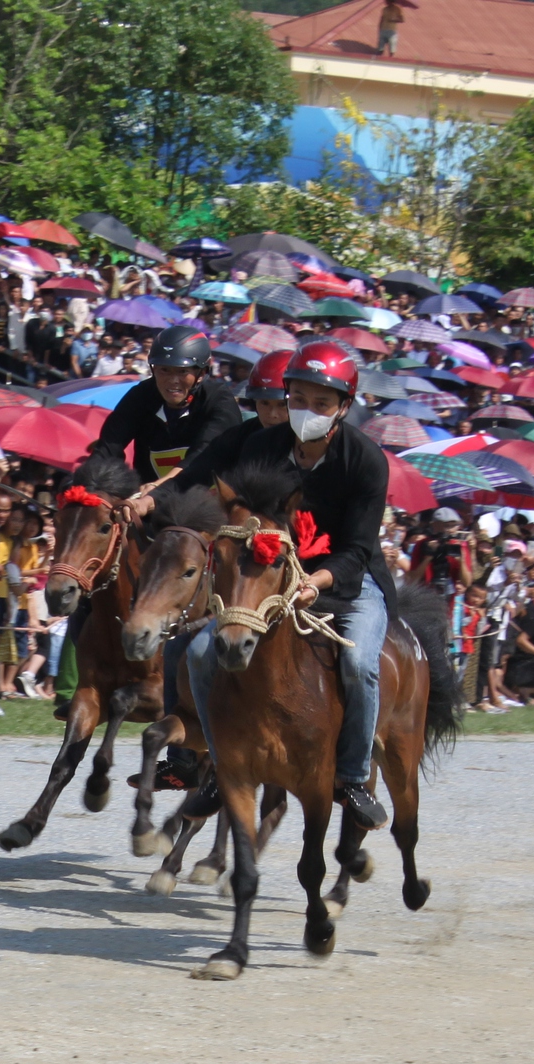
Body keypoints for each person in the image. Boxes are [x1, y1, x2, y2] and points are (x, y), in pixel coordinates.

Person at [176, 339, 393, 828]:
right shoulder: (261, 446)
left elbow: (357, 550)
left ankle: (354, 778)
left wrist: (315, 581)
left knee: (360, 663)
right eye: (298, 399)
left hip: (345, 581)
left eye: (321, 402)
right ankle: (217, 765)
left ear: (343, 407)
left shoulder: (367, 460)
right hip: (270, 578)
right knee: (196, 653)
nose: (306, 411)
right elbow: (242, 519)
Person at [98, 325, 241, 500]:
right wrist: (90, 487)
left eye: (183, 372)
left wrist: (158, 488)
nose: (173, 381)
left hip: (211, 507)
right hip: (150, 507)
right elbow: (108, 447)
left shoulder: (219, 401)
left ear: (201, 373)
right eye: (164, 370)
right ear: (153, 369)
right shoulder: (141, 395)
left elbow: (203, 456)